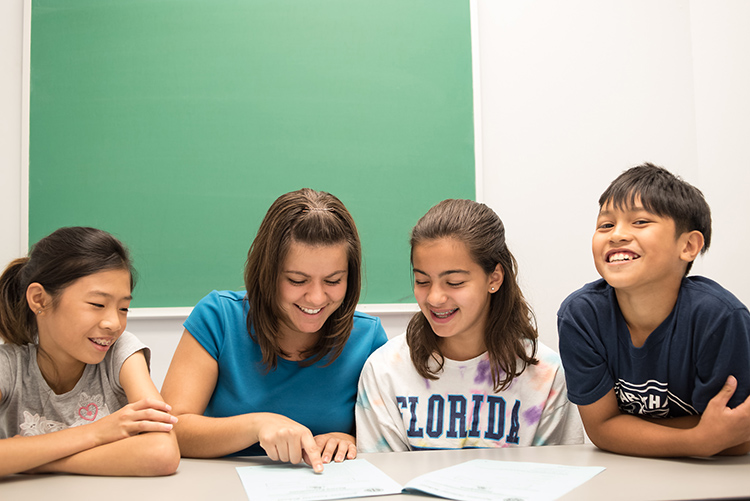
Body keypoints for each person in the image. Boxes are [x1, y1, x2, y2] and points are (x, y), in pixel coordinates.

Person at [161, 188, 387, 472]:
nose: (316, 298)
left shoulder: (368, 338)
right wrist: (257, 425)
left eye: (333, 281)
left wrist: (352, 439)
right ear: (268, 272)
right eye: (297, 280)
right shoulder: (218, 317)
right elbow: (171, 430)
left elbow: (387, 439)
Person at [356, 199, 582, 452]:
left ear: (494, 278)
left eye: (454, 282)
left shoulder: (546, 374)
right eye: (422, 281)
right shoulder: (385, 370)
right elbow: (385, 480)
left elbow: (557, 478)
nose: (434, 298)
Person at [558, 163, 750, 457]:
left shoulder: (718, 316)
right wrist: (697, 440)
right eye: (606, 225)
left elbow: (737, 433)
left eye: (640, 222)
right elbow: (602, 428)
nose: (617, 235)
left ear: (688, 246)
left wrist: (633, 431)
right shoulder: (581, 316)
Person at [0, 226, 180, 477]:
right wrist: (96, 433)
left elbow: (162, 452)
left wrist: (29, 459)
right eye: (97, 304)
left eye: (123, 308)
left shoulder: (121, 353)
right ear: (39, 299)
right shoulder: (8, 366)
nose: (114, 324)